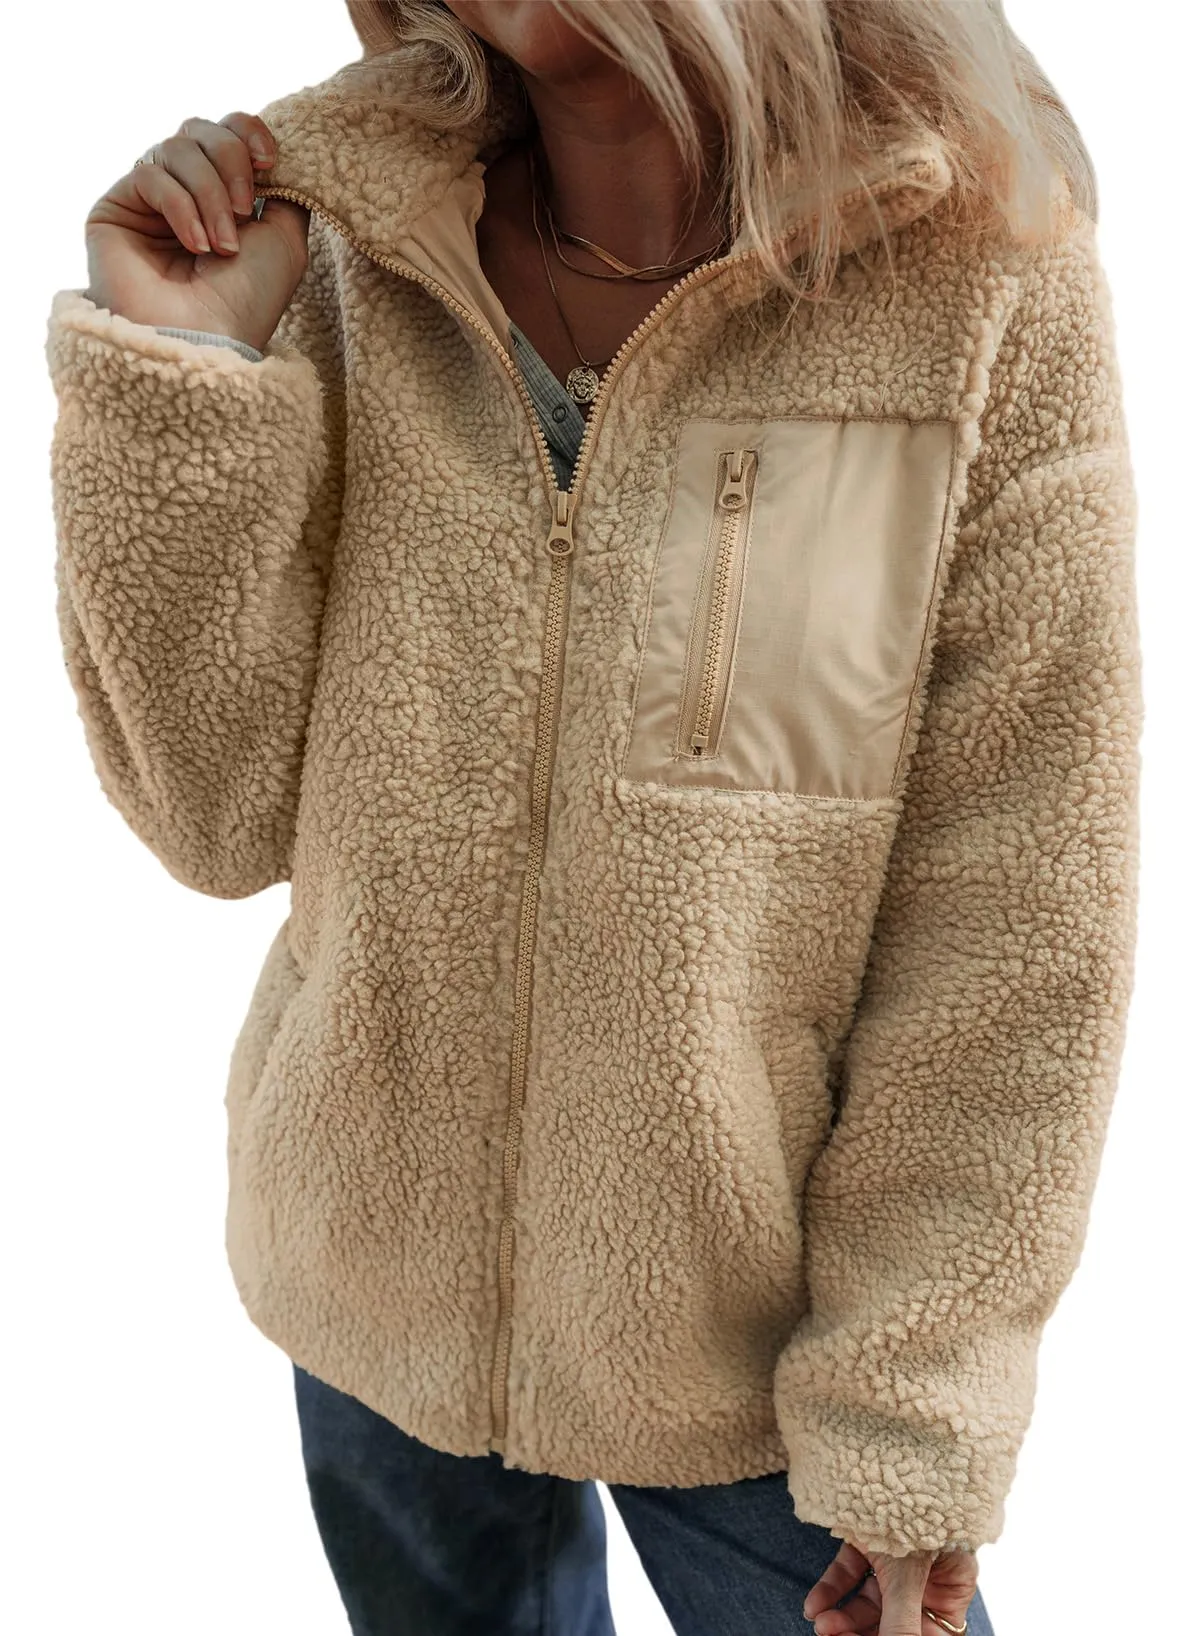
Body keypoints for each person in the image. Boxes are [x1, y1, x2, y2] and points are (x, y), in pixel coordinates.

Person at [44, 1, 1141, 1632]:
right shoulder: (349, 240)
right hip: (371, 1299)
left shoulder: (974, 275)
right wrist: (192, 368)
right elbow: (214, 818)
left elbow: (1018, 923)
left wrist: (911, 1415)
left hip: (765, 1360)